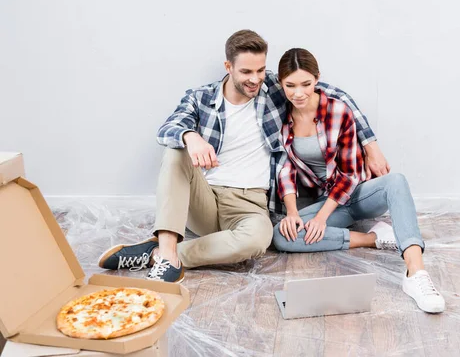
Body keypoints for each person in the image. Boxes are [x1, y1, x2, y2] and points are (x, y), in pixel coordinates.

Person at [97, 30, 389, 283]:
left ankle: (163, 254)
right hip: (206, 199)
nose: (255, 79)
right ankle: (169, 252)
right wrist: (191, 136)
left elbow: (332, 93)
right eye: (246, 72)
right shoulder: (201, 97)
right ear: (228, 66)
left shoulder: (273, 89)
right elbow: (168, 128)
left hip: (251, 204)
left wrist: (371, 145)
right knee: (175, 153)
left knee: (259, 240)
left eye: (260, 70)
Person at [271, 48, 445, 313]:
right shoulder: (282, 118)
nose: (298, 93)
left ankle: (416, 274)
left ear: (317, 79)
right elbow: (285, 170)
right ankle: (375, 238)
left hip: (355, 195)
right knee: (281, 237)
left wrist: (320, 219)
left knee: (396, 181)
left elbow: (350, 174)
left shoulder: (338, 111)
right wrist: (293, 212)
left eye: (306, 84)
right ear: (281, 84)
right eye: (290, 85)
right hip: (324, 201)